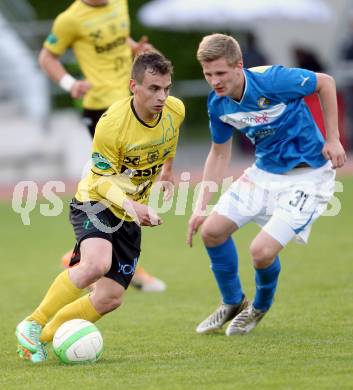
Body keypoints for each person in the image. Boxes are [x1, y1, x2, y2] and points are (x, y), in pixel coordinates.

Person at [16, 51, 185, 362]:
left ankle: (39, 339)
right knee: (96, 264)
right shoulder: (112, 124)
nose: (162, 96)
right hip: (95, 199)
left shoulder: (175, 110)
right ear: (134, 86)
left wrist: (169, 171)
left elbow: (169, 140)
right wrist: (133, 205)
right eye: (153, 89)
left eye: (166, 88)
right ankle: (32, 323)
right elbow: (101, 181)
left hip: (129, 212)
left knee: (109, 298)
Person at [187, 33, 346, 337]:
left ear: (239, 66)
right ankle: (233, 302)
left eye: (220, 73)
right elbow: (219, 152)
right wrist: (200, 206)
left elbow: (325, 82)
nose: (214, 81)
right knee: (211, 232)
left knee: (260, 252)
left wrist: (333, 137)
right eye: (208, 75)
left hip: (309, 178)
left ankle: (258, 306)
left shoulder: (272, 80)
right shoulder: (218, 104)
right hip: (264, 174)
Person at [38, 0, 166, 292]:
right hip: (102, 108)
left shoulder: (119, 3)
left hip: (131, 99)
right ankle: (108, 262)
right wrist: (70, 84)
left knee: (124, 183)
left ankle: (87, 257)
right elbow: (47, 57)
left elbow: (119, 39)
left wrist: (134, 49)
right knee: (115, 184)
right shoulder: (70, 19)